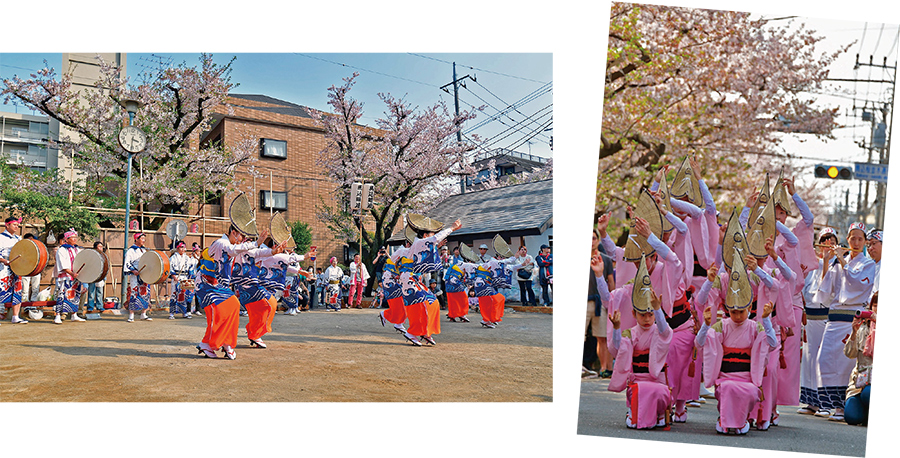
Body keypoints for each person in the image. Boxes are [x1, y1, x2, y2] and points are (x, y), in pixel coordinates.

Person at [595, 253, 673, 430]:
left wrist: (658, 310)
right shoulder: (631, 332)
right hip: (637, 379)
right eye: (642, 315)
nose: (646, 319)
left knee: (661, 391)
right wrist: (600, 276)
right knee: (640, 390)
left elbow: (665, 330)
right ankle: (633, 411)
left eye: (650, 315)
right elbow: (616, 345)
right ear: (634, 314)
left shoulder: (659, 330)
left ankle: (660, 411)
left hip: (656, 378)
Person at [815, 222, 876, 422]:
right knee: (824, 358)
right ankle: (830, 404)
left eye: (860, 238)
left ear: (865, 242)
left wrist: (842, 260)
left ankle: (842, 406)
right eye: (853, 238)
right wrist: (827, 261)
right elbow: (826, 290)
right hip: (834, 317)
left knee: (844, 362)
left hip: (851, 318)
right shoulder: (840, 260)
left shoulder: (867, 264)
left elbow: (857, 284)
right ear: (847, 240)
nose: (856, 242)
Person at [194, 225, 270, 360]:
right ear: (233, 232)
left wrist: (274, 251)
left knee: (234, 305)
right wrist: (256, 243)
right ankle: (207, 343)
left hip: (216, 285)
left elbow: (255, 253)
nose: (244, 239)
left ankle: (226, 342)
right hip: (205, 284)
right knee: (218, 313)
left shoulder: (234, 246)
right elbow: (232, 250)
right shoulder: (221, 243)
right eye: (242, 236)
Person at [798, 228, 839, 416]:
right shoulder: (812, 265)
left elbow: (826, 291)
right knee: (808, 359)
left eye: (831, 240)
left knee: (822, 360)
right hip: (810, 317)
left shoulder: (838, 265)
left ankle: (825, 403)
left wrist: (828, 261)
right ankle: (811, 401)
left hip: (825, 317)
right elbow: (804, 290)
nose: (827, 243)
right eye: (823, 240)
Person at [233, 235, 286, 349]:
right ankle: (254, 333)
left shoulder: (255, 252)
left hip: (252, 285)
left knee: (259, 309)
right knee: (269, 303)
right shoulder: (234, 249)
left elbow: (265, 254)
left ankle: (254, 332)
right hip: (248, 286)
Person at [586, 228, 615, 379]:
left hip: (600, 303)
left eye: (593, 238)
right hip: (585, 301)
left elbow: (611, 282)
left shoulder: (606, 259)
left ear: (597, 240)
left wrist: (613, 304)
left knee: (602, 337)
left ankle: (604, 368)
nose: (591, 241)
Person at [843, 292, 875, 426]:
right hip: (859, 382)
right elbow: (850, 354)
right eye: (875, 305)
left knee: (868, 394)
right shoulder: (863, 328)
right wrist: (854, 332)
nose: (877, 309)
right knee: (851, 417)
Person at [53, 229, 86, 324]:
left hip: (76, 276)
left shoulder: (77, 249)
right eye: (73, 237)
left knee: (75, 295)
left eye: (76, 237)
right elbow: (62, 264)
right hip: (66, 276)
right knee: (62, 295)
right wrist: (71, 273)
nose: (75, 239)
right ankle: (58, 315)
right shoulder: (61, 250)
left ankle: (73, 314)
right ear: (67, 239)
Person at [0, 216, 27, 324]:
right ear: (7, 225)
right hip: (3, 267)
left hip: (16, 267)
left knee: (17, 290)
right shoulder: (1, 237)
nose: (17, 227)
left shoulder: (18, 239)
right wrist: (3, 260)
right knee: (1, 290)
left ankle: (15, 316)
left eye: (17, 225)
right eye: (14, 225)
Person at [123, 233, 154, 323]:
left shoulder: (143, 251)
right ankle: (131, 315)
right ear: (136, 239)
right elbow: (127, 263)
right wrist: (133, 271)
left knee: (145, 293)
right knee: (134, 293)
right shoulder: (131, 251)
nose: (144, 240)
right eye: (142, 239)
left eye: (144, 239)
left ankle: (143, 313)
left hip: (144, 275)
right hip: (135, 275)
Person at [168, 241, 196, 319]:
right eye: (181, 247)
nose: (182, 249)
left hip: (185, 277)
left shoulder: (186, 257)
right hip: (176, 277)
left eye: (183, 247)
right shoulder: (173, 257)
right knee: (174, 295)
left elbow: (191, 266)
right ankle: (171, 313)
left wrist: (190, 275)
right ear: (177, 248)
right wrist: (174, 277)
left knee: (184, 295)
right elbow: (170, 268)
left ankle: (184, 312)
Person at [20, 233, 42, 304]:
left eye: (32, 239)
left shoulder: (37, 248)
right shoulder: (22, 248)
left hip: (36, 270)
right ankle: (24, 305)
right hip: (25, 270)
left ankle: (33, 304)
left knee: (35, 288)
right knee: (24, 289)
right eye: (29, 240)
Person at [85, 241, 107, 313]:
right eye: (99, 247)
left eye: (101, 247)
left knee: (100, 292)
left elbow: (106, 266)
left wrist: (104, 277)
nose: (101, 248)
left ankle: (100, 306)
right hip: (93, 275)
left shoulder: (104, 255)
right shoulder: (92, 255)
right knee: (91, 291)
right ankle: (90, 306)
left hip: (101, 276)